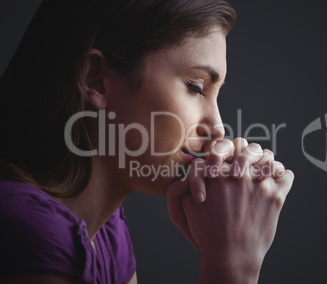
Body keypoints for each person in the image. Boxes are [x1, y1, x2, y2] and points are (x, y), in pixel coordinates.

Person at [0, 0, 295, 283]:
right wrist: (233, 265)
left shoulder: (106, 230)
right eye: (196, 87)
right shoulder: (33, 235)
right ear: (96, 79)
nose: (217, 129)